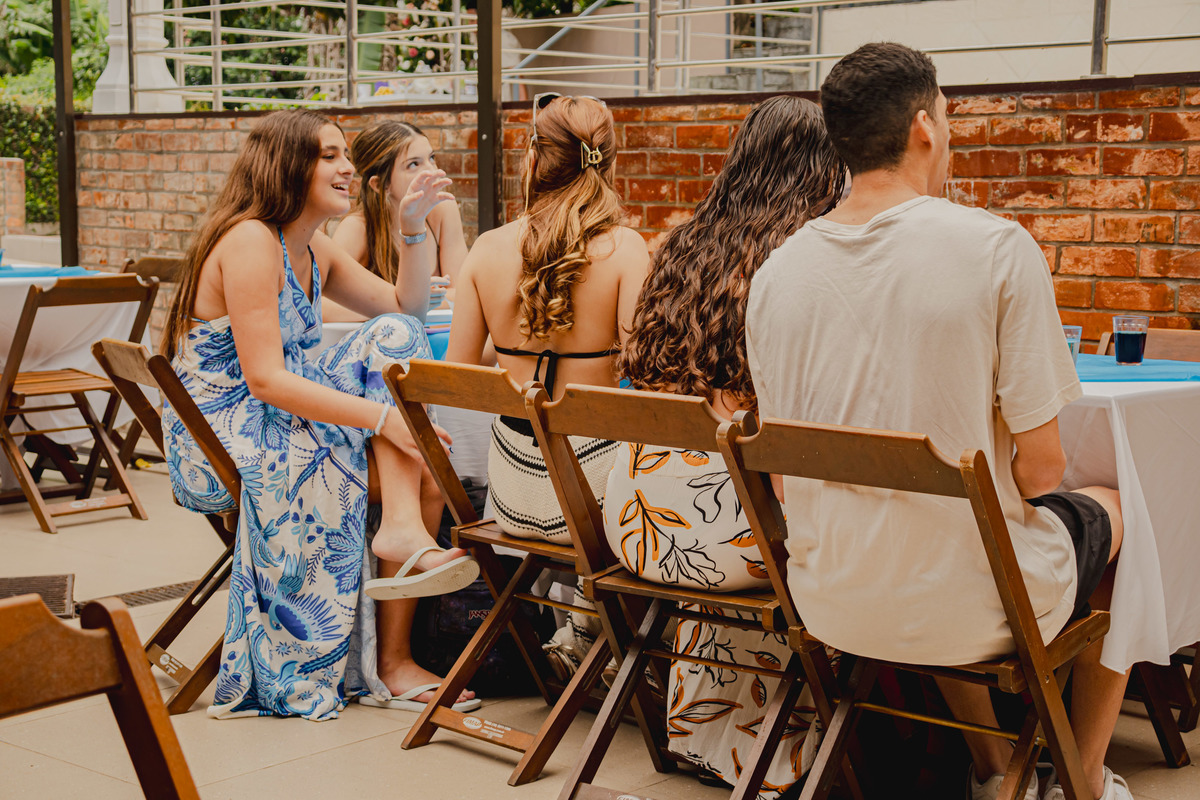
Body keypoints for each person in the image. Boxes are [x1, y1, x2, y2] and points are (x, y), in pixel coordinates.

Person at [746, 43, 1129, 800]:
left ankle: (994, 774)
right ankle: (1082, 776)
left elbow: (785, 482)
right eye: (948, 117)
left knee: (952, 533)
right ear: (924, 126)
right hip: (970, 610)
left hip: (826, 600)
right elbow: (1043, 473)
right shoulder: (993, 248)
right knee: (1123, 510)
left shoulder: (777, 270)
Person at [160, 109, 479, 721]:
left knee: (390, 340)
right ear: (288, 166)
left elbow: (406, 313)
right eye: (329, 155)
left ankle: (401, 558)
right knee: (422, 462)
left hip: (273, 415)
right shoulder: (252, 240)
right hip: (227, 434)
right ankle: (386, 652)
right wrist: (380, 421)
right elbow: (264, 378)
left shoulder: (308, 245)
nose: (347, 168)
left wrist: (414, 230)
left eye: (346, 156)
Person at [612, 95, 845, 796]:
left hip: (636, 517)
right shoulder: (802, 263)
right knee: (840, 523)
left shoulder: (680, 244)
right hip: (728, 536)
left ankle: (716, 736)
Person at [445, 93, 649, 676]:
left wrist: (518, 337)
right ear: (608, 160)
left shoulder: (486, 249)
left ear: (532, 158)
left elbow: (460, 378)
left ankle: (583, 628)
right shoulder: (625, 249)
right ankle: (602, 632)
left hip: (513, 498)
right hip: (596, 501)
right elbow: (646, 367)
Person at [327, 119, 469, 321]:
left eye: (432, 158)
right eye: (414, 164)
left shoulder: (443, 210)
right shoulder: (357, 228)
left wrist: (416, 304)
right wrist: (403, 304)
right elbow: (321, 306)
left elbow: (464, 294)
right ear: (379, 185)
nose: (432, 171)